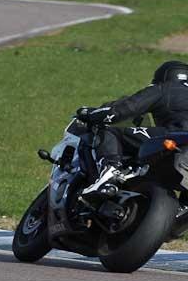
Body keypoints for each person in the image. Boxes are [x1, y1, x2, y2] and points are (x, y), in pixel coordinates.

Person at [76, 60, 188, 192]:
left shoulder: (164, 88)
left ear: (163, 77)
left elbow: (125, 109)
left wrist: (91, 114)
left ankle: (109, 173)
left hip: (178, 135)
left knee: (110, 131)